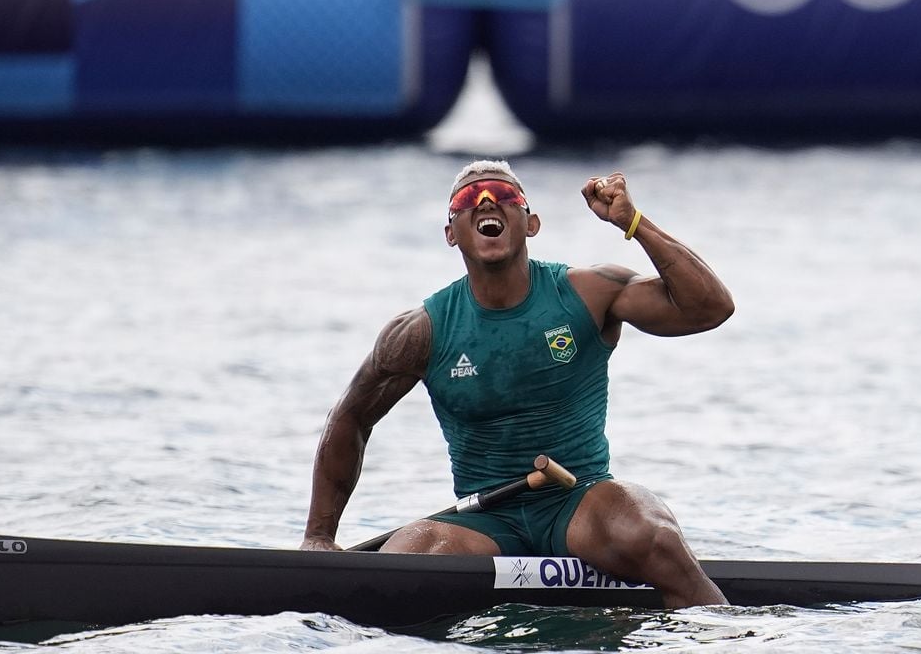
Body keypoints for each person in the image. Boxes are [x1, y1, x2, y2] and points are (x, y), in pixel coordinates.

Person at [301, 160, 735, 607]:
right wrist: (318, 537)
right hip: (484, 522)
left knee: (652, 536)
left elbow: (709, 308)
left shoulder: (590, 292)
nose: (487, 202)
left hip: (580, 503)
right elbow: (351, 417)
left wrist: (633, 223)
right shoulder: (420, 332)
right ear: (451, 234)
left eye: (503, 196)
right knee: (404, 560)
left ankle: (721, 631)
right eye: (469, 200)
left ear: (531, 224)